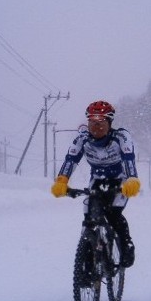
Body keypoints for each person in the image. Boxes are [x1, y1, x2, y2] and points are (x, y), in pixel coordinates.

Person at [51, 100, 141, 267]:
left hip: (120, 181)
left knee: (113, 215)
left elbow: (129, 159)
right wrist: (62, 180)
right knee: (90, 219)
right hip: (97, 181)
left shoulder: (121, 137)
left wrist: (132, 179)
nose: (96, 128)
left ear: (110, 123)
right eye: (92, 122)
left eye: (101, 123)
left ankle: (126, 246)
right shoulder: (82, 139)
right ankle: (88, 261)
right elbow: (70, 160)